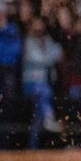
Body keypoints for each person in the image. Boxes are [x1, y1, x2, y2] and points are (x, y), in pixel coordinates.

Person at [21, 16, 64, 149]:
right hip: (30, 83)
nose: (39, 29)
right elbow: (43, 59)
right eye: (36, 26)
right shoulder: (27, 42)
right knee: (43, 92)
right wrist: (49, 58)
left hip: (45, 82)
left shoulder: (48, 41)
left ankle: (33, 146)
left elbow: (59, 55)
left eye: (41, 26)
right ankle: (49, 117)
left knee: (37, 117)